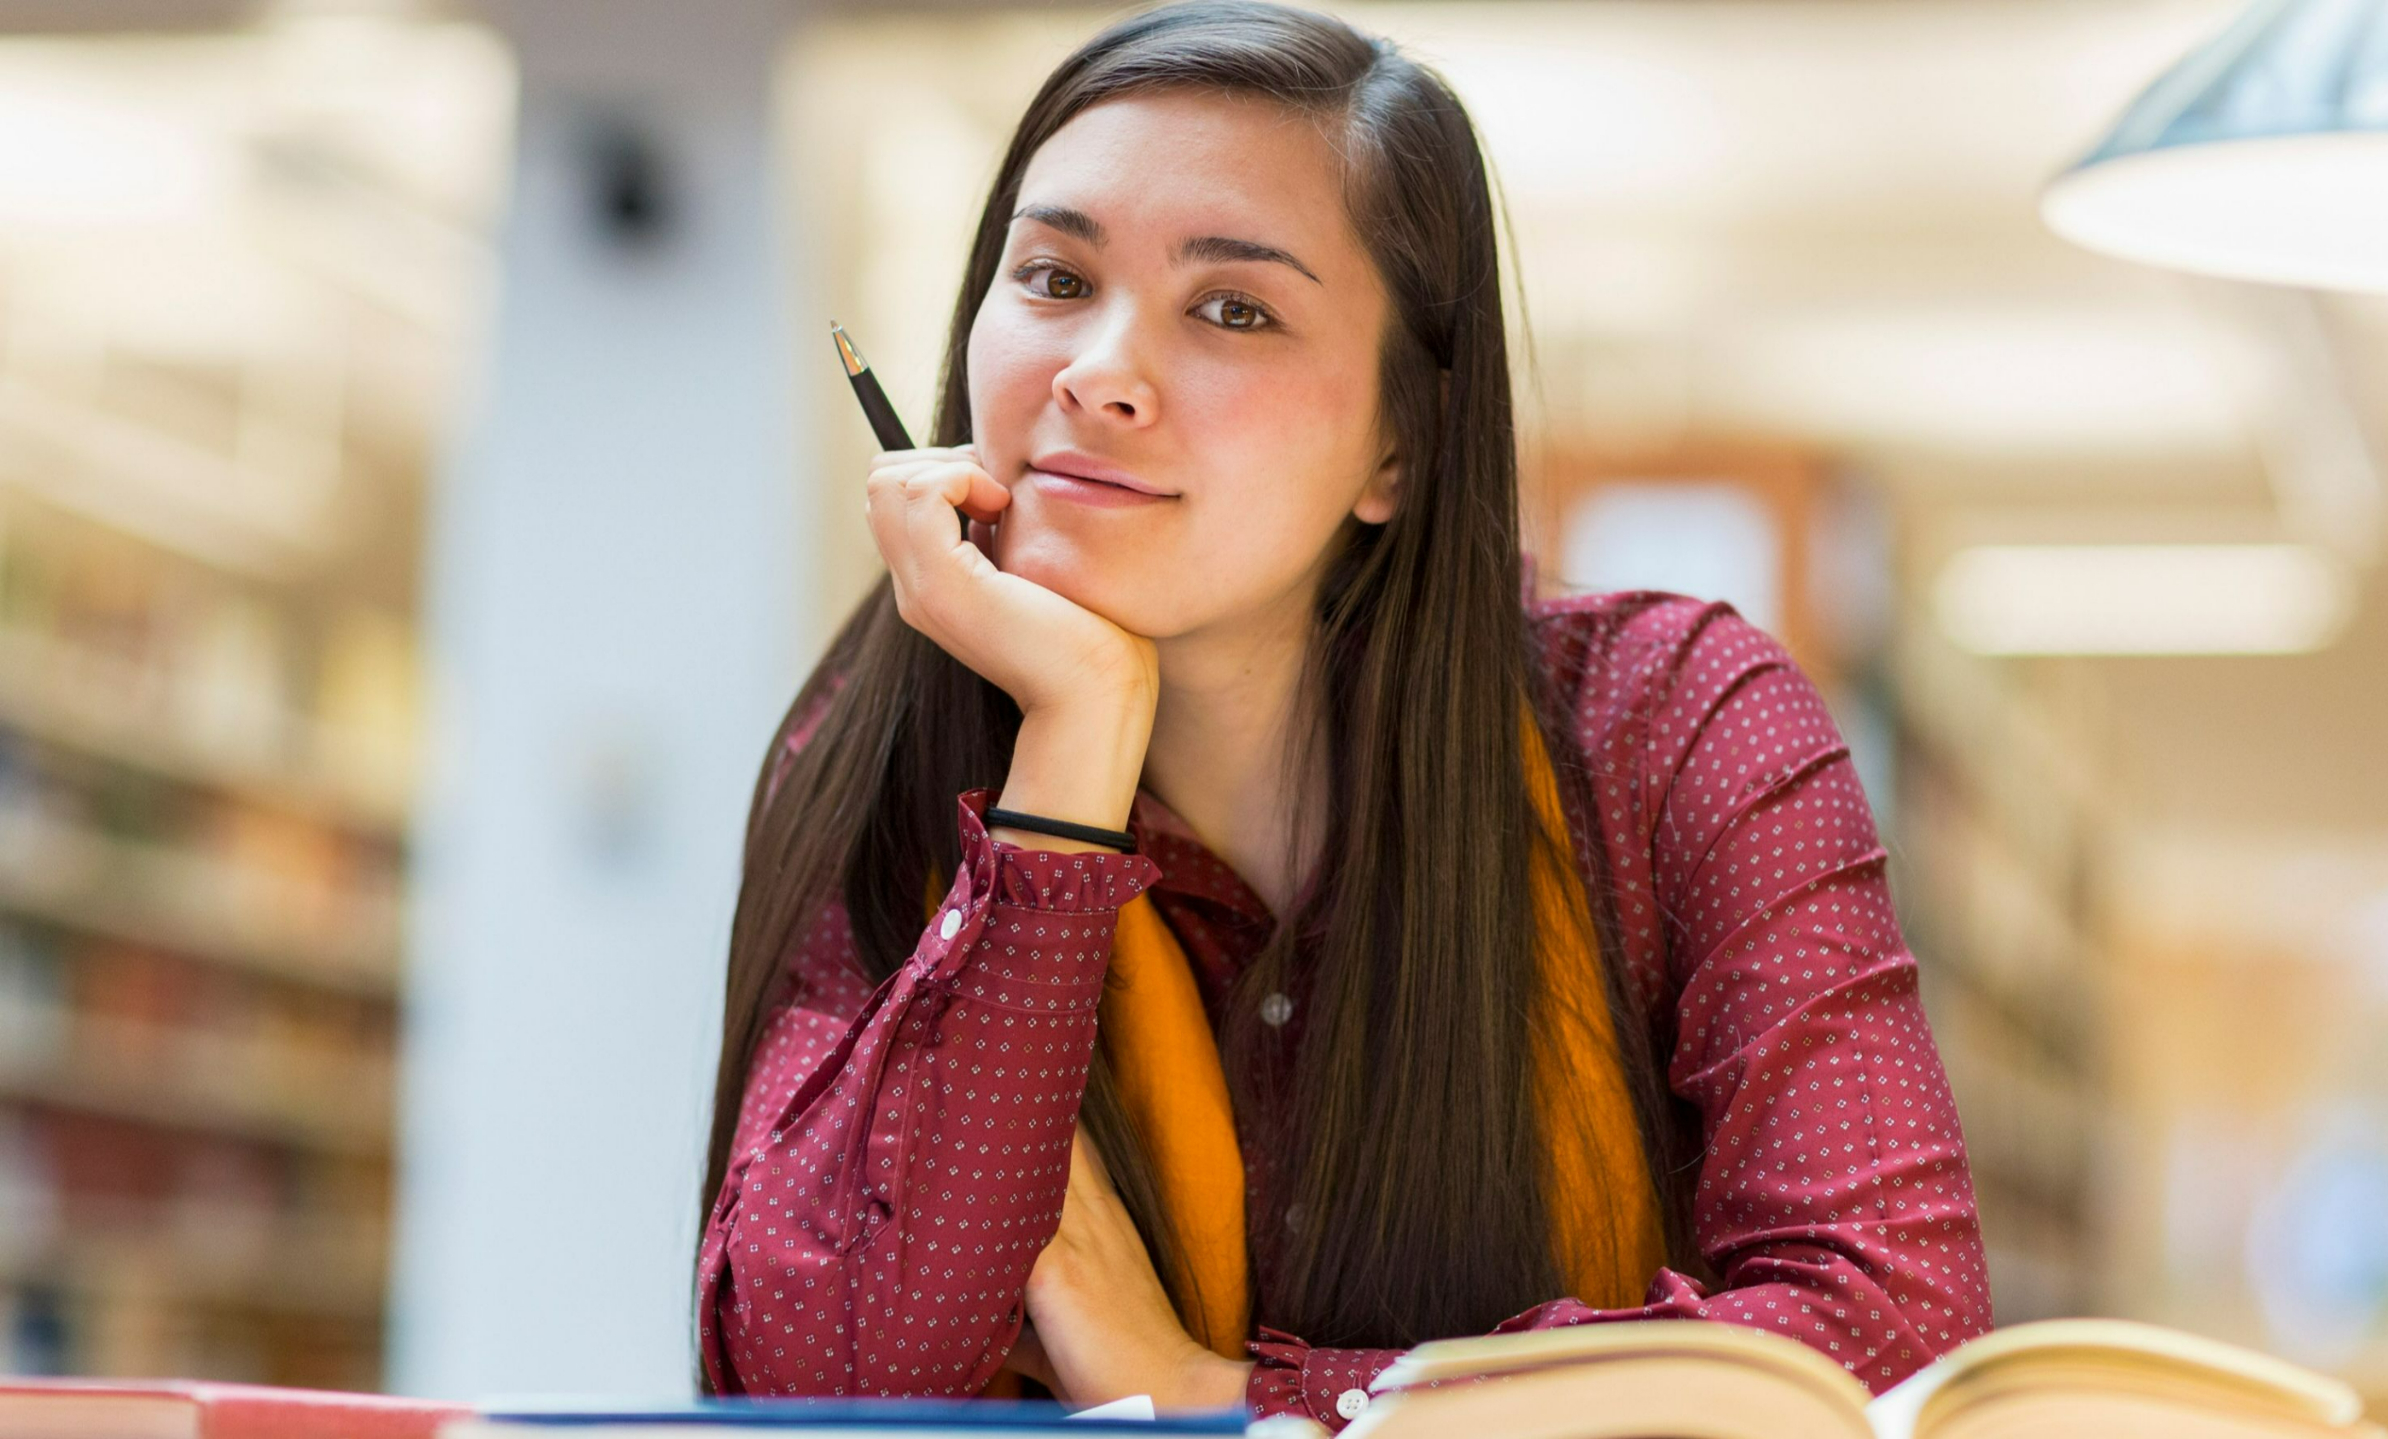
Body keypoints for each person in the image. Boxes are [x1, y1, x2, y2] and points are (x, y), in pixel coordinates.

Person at [695, 1, 1989, 1426]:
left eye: (1233, 308)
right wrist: (1068, 752)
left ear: (1398, 444)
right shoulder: (877, 745)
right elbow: (825, 1386)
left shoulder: (1674, 721)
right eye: (1055, 276)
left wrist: (1244, 1402)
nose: (1096, 371)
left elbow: (1888, 1337)